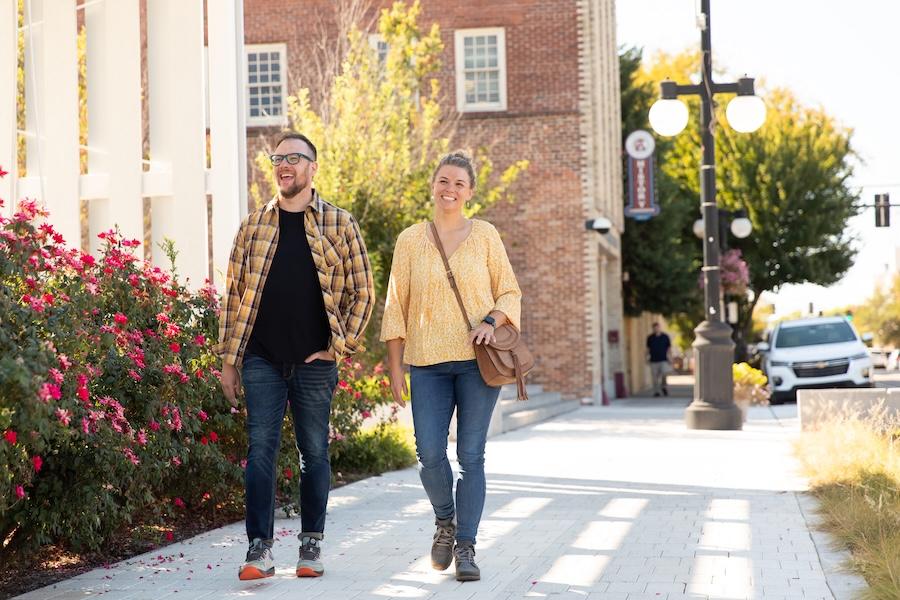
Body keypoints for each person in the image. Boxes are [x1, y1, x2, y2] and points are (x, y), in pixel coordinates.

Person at [216, 132, 374, 580]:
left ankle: (311, 547)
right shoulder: (252, 226)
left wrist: (336, 348)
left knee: (313, 454)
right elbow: (232, 297)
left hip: (315, 362)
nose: (283, 165)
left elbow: (364, 292)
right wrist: (229, 360)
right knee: (260, 450)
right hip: (261, 358)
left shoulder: (339, 224)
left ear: (312, 167)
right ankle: (258, 551)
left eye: (293, 158)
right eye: (277, 158)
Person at [381, 151, 522, 582]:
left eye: (459, 183)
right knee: (427, 454)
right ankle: (445, 521)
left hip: (477, 365)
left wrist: (490, 322)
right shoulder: (410, 240)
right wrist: (394, 368)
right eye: (444, 181)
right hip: (426, 364)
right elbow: (395, 307)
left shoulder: (485, 235)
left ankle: (465, 546)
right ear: (433, 186)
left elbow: (510, 293)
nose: (450, 189)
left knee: (471, 455)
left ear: (470, 192)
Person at [646, 322, 672, 397]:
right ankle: (656, 391)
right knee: (654, 377)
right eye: (654, 328)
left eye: (657, 327)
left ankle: (664, 387)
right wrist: (646, 357)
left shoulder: (665, 337)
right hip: (653, 360)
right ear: (653, 329)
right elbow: (647, 349)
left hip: (663, 360)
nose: (656, 329)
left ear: (659, 328)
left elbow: (669, 349)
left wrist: (670, 358)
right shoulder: (650, 338)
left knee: (664, 374)